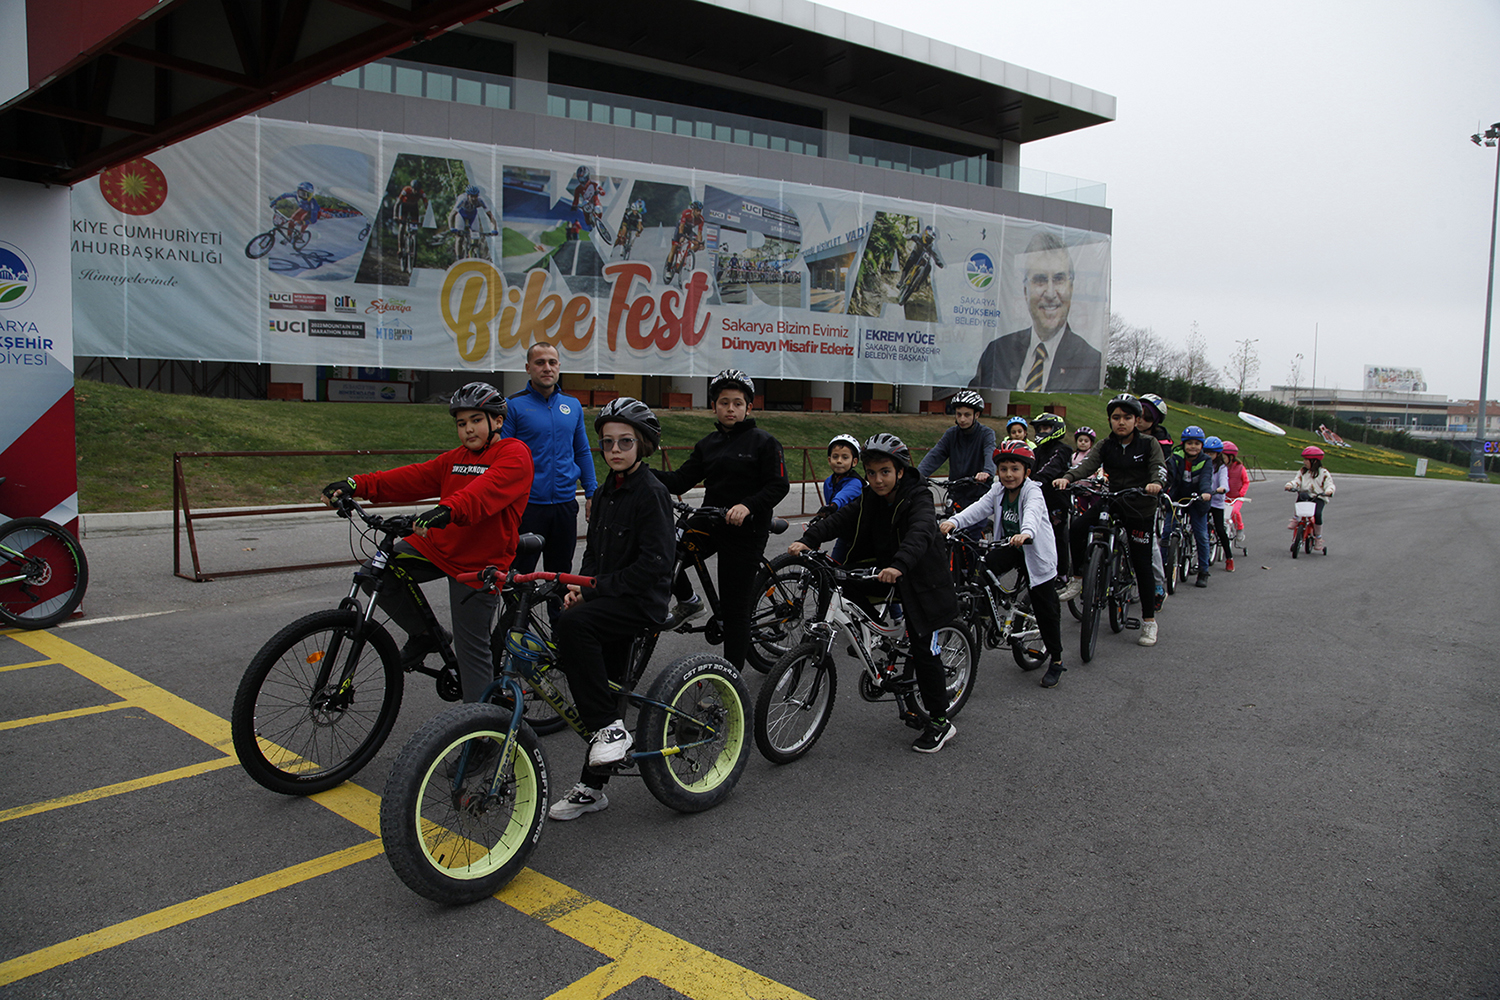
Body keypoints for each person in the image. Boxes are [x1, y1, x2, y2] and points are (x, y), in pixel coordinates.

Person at [321, 382, 531, 702]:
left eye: (476, 420)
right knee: (377, 571)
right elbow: (414, 477)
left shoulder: (514, 453)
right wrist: (356, 484)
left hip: (479, 563)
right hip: (437, 547)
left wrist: (446, 509)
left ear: (497, 421)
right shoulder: (455, 458)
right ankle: (423, 635)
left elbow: (483, 492)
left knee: (471, 651)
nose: (468, 429)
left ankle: (482, 733)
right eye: (461, 423)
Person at [789, 433, 959, 752]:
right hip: (887, 568)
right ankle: (874, 637)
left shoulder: (917, 495)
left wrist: (900, 564)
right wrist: (810, 539)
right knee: (845, 586)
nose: (877, 480)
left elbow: (921, 530)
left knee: (924, 648)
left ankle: (940, 722)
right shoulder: (870, 496)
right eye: (871, 473)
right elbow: (842, 518)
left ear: (900, 471)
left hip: (921, 576)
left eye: (885, 472)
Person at [549, 398, 675, 821]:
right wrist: (581, 587)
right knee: (607, 687)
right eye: (607, 443)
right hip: (608, 598)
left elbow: (655, 564)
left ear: (643, 445)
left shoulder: (653, 494)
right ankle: (593, 786)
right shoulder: (603, 493)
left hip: (640, 603)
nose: (615, 449)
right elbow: (594, 554)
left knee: (575, 629)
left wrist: (598, 589)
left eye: (625, 442)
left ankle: (608, 730)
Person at [653, 370, 789, 670]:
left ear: (748, 408)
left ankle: (731, 681)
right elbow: (679, 481)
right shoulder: (708, 444)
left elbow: (778, 486)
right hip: (709, 522)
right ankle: (689, 601)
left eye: (738, 403)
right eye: (724, 402)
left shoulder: (764, 442)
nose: (731, 409)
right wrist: (639, 470)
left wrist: (747, 506)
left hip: (746, 531)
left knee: (734, 609)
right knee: (663, 553)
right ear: (714, 406)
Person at [941, 441, 1066, 688]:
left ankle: (1057, 660)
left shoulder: (1033, 491)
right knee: (982, 570)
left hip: (1034, 551)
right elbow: (978, 508)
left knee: (1045, 607)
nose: (1008, 474)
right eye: (1003, 469)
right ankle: (990, 611)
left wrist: (1026, 532)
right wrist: (954, 521)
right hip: (1010, 546)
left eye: (1014, 469)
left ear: (1026, 472)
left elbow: (1031, 512)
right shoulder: (998, 490)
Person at [1053, 393, 1165, 646]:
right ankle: (1079, 579)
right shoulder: (1105, 445)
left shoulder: (1148, 444)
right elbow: (1087, 466)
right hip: (1114, 500)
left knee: (1142, 564)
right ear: (1110, 420)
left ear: (1137, 420)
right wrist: (1068, 478)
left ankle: (1149, 622)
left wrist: (1156, 483)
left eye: (1127, 417)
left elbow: (1158, 467)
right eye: (1116, 418)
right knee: (1078, 528)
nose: (1121, 422)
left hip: (1140, 507)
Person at [500, 343, 598, 614]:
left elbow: (582, 451)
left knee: (560, 579)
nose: (547, 368)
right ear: (528, 368)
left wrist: (592, 492)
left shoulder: (572, 405)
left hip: (565, 507)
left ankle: (558, 640)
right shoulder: (514, 406)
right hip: (528, 508)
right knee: (519, 580)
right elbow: (502, 457)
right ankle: (515, 640)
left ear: (559, 367)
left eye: (552, 362)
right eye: (540, 362)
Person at [970, 230, 1104, 392]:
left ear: (1071, 288)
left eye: (1059, 279)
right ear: (1026, 291)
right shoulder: (997, 352)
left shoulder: (1090, 362)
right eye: (1040, 280)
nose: (1050, 293)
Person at [917, 389, 994, 525]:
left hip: (977, 493)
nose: (962, 419)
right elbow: (935, 455)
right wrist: (916, 476)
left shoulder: (986, 434)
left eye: (967, 415)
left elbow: (990, 452)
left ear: (977, 415)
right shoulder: (952, 434)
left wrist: (987, 472)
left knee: (972, 534)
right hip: (956, 491)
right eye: (959, 414)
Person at [1029, 412, 1076, 599]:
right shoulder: (1037, 450)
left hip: (1056, 500)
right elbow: (1029, 466)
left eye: (1045, 428)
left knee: (1057, 536)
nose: (1041, 431)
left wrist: (1036, 479)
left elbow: (1052, 466)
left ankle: (1062, 574)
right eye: (1039, 428)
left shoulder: (1062, 449)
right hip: (1038, 498)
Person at [1170, 425, 1215, 588]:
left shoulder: (1206, 460)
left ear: (1202, 445)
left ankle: (1203, 570)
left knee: (1201, 535)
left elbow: (1205, 478)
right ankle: (1164, 566)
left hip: (1198, 500)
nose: (1193, 447)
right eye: (1189, 443)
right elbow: (1170, 475)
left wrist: (1205, 493)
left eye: (1197, 443)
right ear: (1183, 444)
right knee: (1168, 532)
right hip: (1177, 497)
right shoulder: (1176, 456)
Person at [818, 434, 864, 564]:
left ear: (854, 462)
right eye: (835, 457)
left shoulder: (856, 482)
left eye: (845, 457)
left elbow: (843, 497)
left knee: (849, 570)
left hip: (859, 536)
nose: (839, 461)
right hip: (844, 533)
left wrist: (832, 506)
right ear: (829, 459)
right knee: (835, 565)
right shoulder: (829, 482)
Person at [1285, 445, 1335, 550]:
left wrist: (1329, 491)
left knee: (1317, 514)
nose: (1304, 462)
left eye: (1306, 460)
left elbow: (1329, 484)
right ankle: (1296, 518)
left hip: (1318, 497)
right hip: (1306, 495)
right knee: (1301, 497)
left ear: (1315, 461)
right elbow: (1297, 481)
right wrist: (1290, 485)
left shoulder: (1323, 473)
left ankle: (1318, 538)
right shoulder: (1303, 472)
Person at [1203, 436, 1235, 573]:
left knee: (1220, 529)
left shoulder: (1221, 467)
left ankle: (1229, 558)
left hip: (1216, 501)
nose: (1208, 456)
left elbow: (1224, 481)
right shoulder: (1202, 463)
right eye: (1206, 452)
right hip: (1203, 500)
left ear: (1218, 454)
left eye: (1211, 453)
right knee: (1199, 529)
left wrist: (1222, 488)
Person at [449, 185, 497, 257]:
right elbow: (452, 215)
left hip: (473, 215)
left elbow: (490, 215)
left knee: (476, 235)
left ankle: (475, 251)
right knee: (459, 238)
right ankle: (458, 258)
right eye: (472, 196)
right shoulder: (462, 199)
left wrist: (494, 229)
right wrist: (452, 228)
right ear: (468, 196)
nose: (474, 198)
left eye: (476, 196)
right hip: (461, 215)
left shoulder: (480, 200)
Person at [1222, 440, 1249, 556]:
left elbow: (1246, 481)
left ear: (1231, 457)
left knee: (1235, 511)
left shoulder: (1240, 468)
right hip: (1223, 497)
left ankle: (1239, 529)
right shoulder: (1221, 467)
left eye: (1223, 457)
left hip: (1236, 497)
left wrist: (1241, 493)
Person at [667, 200, 705, 275]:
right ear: (693, 210)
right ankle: (668, 269)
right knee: (674, 247)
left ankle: (685, 256)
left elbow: (699, 233)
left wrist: (700, 243)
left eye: (700, 211)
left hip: (689, 230)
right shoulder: (686, 213)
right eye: (697, 211)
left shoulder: (701, 219)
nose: (699, 213)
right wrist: (681, 236)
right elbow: (681, 226)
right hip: (680, 228)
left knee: (697, 244)